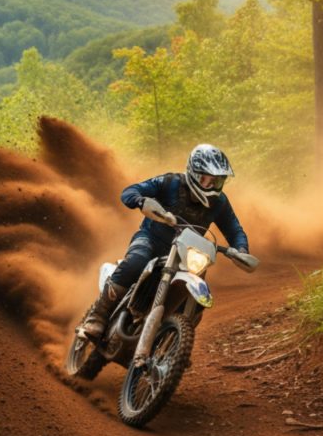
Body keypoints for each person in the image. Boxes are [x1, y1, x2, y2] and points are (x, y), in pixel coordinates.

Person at [79, 144, 250, 341]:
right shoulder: (171, 183)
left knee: (198, 294)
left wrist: (241, 249)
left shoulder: (220, 203)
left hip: (186, 253)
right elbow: (130, 191)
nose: (212, 186)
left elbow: (234, 229)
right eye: (207, 179)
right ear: (193, 173)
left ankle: (173, 345)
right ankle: (97, 316)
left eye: (218, 181)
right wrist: (142, 201)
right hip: (150, 240)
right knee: (136, 262)